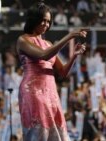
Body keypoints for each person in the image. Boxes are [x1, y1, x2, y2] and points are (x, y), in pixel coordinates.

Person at [15, 1, 88, 141]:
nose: (45, 24)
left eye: (48, 22)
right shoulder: (23, 40)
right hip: (33, 91)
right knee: (40, 132)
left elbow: (63, 72)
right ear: (33, 19)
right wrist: (69, 36)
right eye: (42, 20)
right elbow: (44, 55)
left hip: (50, 92)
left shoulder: (48, 44)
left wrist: (74, 55)